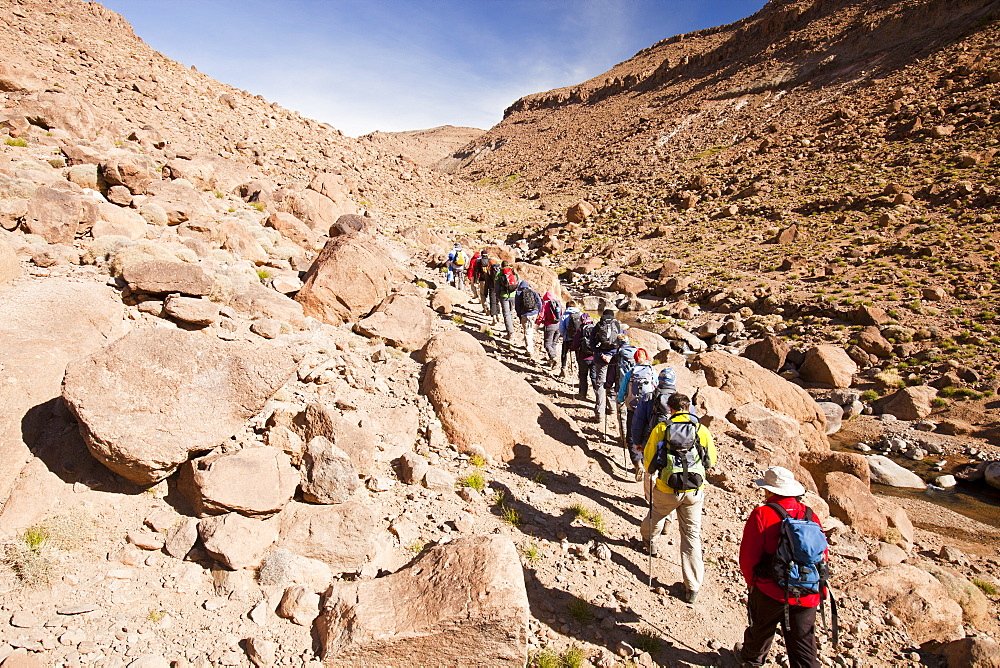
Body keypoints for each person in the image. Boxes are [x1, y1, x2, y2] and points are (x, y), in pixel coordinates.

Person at [737, 467, 825, 668]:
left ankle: (751, 662)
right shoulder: (811, 516)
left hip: (770, 588)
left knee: (760, 630)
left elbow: (748, 557)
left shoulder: (762, 514)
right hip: (807, 592)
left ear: (769, 491)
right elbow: (822, 555)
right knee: (803, 645)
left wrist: (753, 584)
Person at [641, 392, 716, 604]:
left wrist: (653, 471)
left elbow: (648, 461)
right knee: (691, 536)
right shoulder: (701, 430)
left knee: (655, 516)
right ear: (688, 408)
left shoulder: (662, 429)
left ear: (670, 409)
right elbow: (711, 459)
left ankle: (649, 541)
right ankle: (692, 587)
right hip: (694, 490)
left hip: (667, 487)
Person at [616, 348, 655, 476]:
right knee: (647, 435)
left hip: (632, 409)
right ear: (647, 358)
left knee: (632, 436)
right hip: (648, 409)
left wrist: (620, 400)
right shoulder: (652, 372)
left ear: (635, 359)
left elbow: (622, 390)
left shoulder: (630, 372)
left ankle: (637, 463)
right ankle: (645, 462)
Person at [589, 309, 622, 422]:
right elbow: (622, 342)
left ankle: (600, 414)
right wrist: (613, 355)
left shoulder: (598, 325)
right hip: (614, 360)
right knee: (612, 382)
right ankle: (612, 408)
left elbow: (591, 343)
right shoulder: (617, 325)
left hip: (600, 359)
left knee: (600, 385)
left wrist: (600, 354)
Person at [568, 312, 595, 400]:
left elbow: (576, 343)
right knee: (594, 377)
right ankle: (598, 396)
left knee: (583, 376)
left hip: (583, 357)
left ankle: (582, 394)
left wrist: (571, 348)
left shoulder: (581, 329)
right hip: (595, 357)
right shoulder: (595, 328)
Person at [514, 280, 542, 356]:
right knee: (530, 330)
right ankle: (530, 345)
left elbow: (517, 306)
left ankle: (529, 350)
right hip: (534, 313)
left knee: (527, 332)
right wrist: (538, 312)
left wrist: (519, 315)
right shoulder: (533, 292)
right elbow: (539, 303)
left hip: (525, 315)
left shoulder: (518, 293)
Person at [536, 290, 563, 368]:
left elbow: (541, 315)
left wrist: (537, 324)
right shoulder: (559, 303)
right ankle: (552, 362)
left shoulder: (546, 304)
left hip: (549, 326)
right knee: (554, 343)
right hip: (558, 325)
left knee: (547, 344)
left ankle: (553, 357)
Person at [495, 260, 519, 340]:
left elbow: (497, 287)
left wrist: (498, 296)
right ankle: (510, 327)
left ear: (501, 266)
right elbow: (518, 283)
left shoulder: (499, 274)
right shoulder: (514, 272)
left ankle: (510, 333)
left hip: (503, 296)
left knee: (506, 314)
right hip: (513, 295)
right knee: (511, 312)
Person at [558, 300, 583, 376]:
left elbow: (561, 328)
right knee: (578, 355)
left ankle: (563, 369)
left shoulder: (565, 315)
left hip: (568, 338)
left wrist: (564, 335)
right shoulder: (580, 314)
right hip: (578, 339)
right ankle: (580, 372)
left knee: (564, 353)